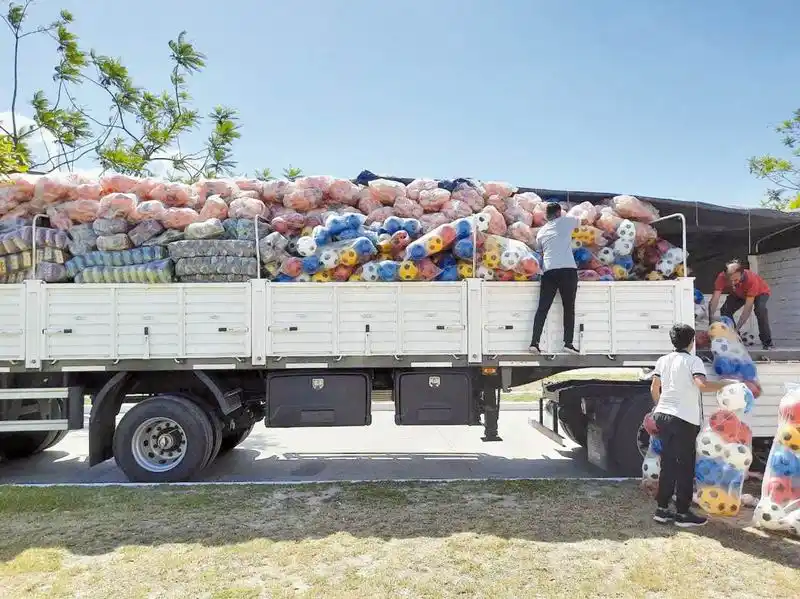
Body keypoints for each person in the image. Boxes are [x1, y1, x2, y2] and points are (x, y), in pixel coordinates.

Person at [650, 323, 735, 527]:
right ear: (692, 341)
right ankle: (682, 513)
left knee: (668, 463)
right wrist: (725, 384)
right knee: (685, 465)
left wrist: (659, 406)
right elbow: (702, 385)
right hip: (683, 419)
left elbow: (655, 387)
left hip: (663, 414)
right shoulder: (693, 361)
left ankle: (662, 510)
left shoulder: (663, 360)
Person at [529, 202, 580, 354]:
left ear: (547, 216)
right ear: (558, 213)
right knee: (568, 308)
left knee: (543, 308)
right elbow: (582, 221)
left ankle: (534, 343)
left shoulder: (542, 231)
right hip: (567, 270)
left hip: (549, 271)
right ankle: (568, 343)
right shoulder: (566, 221)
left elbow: (539, 250)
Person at [708, 259, 773, 350]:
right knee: (725, 310)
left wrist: (737, 329)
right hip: (739, 293)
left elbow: (747, 310)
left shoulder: (751, 280)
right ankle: (735, 340)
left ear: (742, 274)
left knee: (760, 310)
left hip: (760, 293)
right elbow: (715, 299)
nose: (732, 283)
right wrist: (711, 319)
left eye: (735, 280)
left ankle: (767, 342)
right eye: (730, 280)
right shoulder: (721, 277)